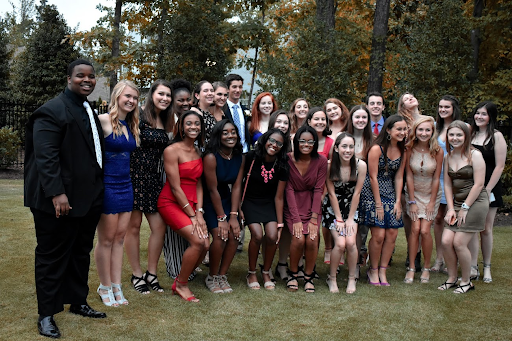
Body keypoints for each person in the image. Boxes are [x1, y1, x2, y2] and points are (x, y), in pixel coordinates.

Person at [25, 59, 106, 338]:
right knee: (51, 257)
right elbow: (46, 158)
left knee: (80, 252)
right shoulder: (50, 111)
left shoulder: (87, 108)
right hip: (57, 201)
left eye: (91, 76)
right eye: (80, 76)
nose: (87, 80)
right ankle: (46, 313)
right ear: (68, 78)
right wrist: (57, 193)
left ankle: (78, 301)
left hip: (89, 198)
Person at [94, 80, 140, 307]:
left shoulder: (131, 125)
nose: (131, 101)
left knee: (120, 238)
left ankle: (116, 285)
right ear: (117, 96)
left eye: (135, 98)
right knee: (107, 239)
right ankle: (104, 286)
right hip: (108, 186)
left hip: (126, 185)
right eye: (127, 96)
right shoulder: (101, 121)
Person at [125, 80, 172, 295]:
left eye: (168, 95)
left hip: (153, 179)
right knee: (133, 228)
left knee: (159, 227)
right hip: (133, 177)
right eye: (161, 94)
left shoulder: (166, 119)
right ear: (152, 94)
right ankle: (136, 274)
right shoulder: (138, 114)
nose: (165, 98)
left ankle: (151, 273)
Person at [158, 111, 209, 302]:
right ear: (181, 126)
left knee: (205, 244)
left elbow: (198, 183)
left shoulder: (198, 151)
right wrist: (193, 216)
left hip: (193, 202)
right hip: (171, 202)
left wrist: (200, 212)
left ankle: (185, 274)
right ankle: (181, 284)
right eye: (189, 123)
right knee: (198, 241)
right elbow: (175, 186)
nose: (193, 127)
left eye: (197, 123)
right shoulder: (172, 150)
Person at [438, 121, 488, 294]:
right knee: (445, 241)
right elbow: (447, 185)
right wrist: (451, 209)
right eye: (451, 135)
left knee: (459, 243)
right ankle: (452, 278)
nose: (455, 138)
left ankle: (466, 282)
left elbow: (479, 184)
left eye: (459, 135)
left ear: (466, 136)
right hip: (457, 203)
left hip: (475, 202)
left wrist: (465, 208)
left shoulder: (475, 155)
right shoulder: (447, 157)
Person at [358, 115, 407, 286]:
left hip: (391, 192)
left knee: (392, 233)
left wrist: (398, 201)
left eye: (404, 129)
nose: (402, 132)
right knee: (378, 234)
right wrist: (378, 204)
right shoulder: (376, 149)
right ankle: (372, 270)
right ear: (388, 130)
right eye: (398, 129)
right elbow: (372, 177)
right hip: (372, 192)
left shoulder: (403, 150)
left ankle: (383, 270)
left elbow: (400, 176)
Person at [242, 129, 289, 290]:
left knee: (272, 235)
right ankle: (251, 272)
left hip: (269, 202)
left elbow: (279, 197)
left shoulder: (282, 164)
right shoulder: (250, 157)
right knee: (256, 234)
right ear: (265, 139)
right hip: (249, 201)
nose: (274, 145)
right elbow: (238, 184)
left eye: (279, 144)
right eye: (272, 141)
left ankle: (266, 271)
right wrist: (238, 209)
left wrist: (280, 223)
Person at [203, 120, 244, 293]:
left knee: (235, 234)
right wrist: (222, 218)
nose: (230, 136)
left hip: (227, 198)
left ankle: (222, 275)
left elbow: (236, 186)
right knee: (220, 236)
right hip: (210, 200)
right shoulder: (211, 157)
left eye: (233, 132)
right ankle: (211, 276)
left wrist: (233, 215)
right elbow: (212, 189)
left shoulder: (239, 157)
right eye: (225, 133)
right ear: (218, 136)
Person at [285, 126, 328, 293]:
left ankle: (309, 276)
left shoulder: (321, 161)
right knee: (298, 239)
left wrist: (313, 218)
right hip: (293, 205)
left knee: (311, 239)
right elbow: (288, 189)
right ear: (296, 142)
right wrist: (296, 219)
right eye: (302, 141)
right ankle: (293, 274)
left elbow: (319, 189)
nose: (306, 144)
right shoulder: (288, 159)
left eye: (310, 141)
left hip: (312, 205)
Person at [323, 133, 367, 294]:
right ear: (336, 148)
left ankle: (351, 278)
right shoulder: (329, 166)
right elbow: (331, 194)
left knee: (351, 243)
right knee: (340, 244)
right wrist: (339, 219)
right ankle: (332, 278)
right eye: (344, 146)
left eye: (351, 147)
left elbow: (357, 193)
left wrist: (349, 219)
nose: (348, 150)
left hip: (352, 208)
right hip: (332, 209)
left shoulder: (360, 165)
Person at [469, 101, 507, 283]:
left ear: (491, 116)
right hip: (470, 188)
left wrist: (488, 189)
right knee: (472, 228)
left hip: (489, 188)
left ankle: (487, 268)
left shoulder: (497, 136)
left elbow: (500, 166)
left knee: (485, 229)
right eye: (477, 113)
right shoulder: (471, 134)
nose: (479, 117)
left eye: (483, 114)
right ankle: (472, 266)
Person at [403, 116, 443, 284]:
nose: (424, 133)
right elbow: (409, 176)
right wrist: (411, 201)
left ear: (432, 131)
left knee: (425, 230)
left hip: (431, 194)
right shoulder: (409, 148)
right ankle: (412, 267)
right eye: (421, 129)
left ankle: (426, 268)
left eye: (427, 130)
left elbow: (436, 178)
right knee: (415, 229)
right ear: (415, 131)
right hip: (413, 193)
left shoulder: (438, 151)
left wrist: (432, 203)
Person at [163, 78, 196, 280]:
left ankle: (189, 262)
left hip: (189, 180)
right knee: (173, 229)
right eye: (180, 100)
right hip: (169, 178)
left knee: (189, 226)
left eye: (188, 100)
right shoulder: (167, 122)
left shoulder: (192, 121)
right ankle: (176, 266)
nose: (185, 104)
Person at [431, 95, 462, 273]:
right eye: (440, 107)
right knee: (437, 219)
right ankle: (439, 259)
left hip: (453, 178)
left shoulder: (461, 127)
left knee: (454, 219)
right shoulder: (435, 128)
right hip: (436, 177)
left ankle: (455, 258)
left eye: (446, 107)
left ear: (454, 109)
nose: (442, 110)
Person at [304, 107, 334, 264]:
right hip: (302, 190)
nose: (320, 122)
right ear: (309, 121)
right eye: (317, 119)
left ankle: (324, 252)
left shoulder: (331, 143)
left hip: (323, 190)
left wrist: (324, 194)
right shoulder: (302, 139)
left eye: (323, 119)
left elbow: (331, 172)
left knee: (320, 225)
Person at [268, 110, 294, 281]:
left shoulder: (291, 145)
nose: (282, 125)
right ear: (272, 123)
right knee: (269, 231)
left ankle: (282, 263)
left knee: (285, 229)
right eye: (279, 122)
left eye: (285, 123)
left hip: (287, 191)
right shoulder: (265, 141)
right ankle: (266, 265)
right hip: (268, 191)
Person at [346, 104, 373, 266]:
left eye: (364, 117)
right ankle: (346, 259)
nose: (360, 120)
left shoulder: (373, 140)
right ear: (351, 119)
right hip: (346, 189)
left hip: (366, 188)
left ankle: (359, 258)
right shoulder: (343, 137)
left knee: (362, 227)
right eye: (357, 117)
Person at [223, 73, 250, 152]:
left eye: (240, 87)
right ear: (228, 89)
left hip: (245, 152)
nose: (238, 90)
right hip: (228, 152)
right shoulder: (222, 109)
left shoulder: (245, 110)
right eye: (234, 87)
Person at [192, 80, 218, 145]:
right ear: (197, 95)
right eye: (205, 91)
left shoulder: (210, 115)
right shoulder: (193, 113)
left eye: (212, 91)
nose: (210, 93)